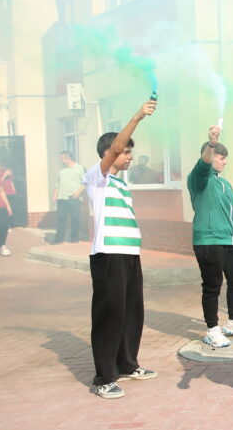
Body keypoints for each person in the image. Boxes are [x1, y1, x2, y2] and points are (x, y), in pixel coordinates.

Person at [84, 99, 159, 399]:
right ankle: (104, 376)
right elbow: (116, 148)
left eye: (130, 152)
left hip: (129, 256)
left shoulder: (121, 185)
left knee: (131, 312)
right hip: (108, 256)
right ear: (109, 153)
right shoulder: (96, 178)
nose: (129, 156)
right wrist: (138, 115)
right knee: (110, 315)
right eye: (127, 151)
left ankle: (127, 364)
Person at [188, 124, 233, 349]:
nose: (225, 161)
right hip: (209, 241)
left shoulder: (225, 183)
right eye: (220, 157)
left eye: (225, 158)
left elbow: (230, 212)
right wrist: (211, 143)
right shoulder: (199, 178)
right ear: (209, 157)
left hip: (232, 240)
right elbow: (204, 164)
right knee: (212, 286)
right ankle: (212, 330)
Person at [53, 152, 86, 244]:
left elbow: (86, 183)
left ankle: (74, 237)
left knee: (75, 218)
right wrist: (55, 195)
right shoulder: (62, 171)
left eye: (62, 159)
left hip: (74, 198)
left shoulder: (80, 168)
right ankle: (59, 239)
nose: (61, 161)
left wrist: (78, 192)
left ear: (67, 159)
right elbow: (58, 184)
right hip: (62, 198)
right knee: (61, 218)